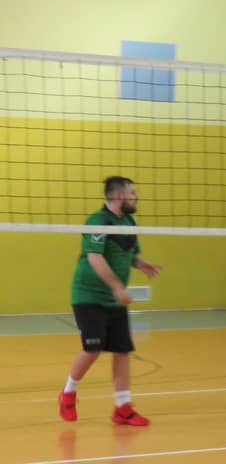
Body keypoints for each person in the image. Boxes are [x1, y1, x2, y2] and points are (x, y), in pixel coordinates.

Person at [59, 176, 162, 426]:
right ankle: (68, 393)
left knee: (121, 351)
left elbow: (128, 254)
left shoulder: (128, 222)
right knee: (92, 349)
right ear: (117, 196)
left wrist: (141, 264)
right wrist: (117, 287)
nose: (135, 197)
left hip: (114, 299)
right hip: (89, 296)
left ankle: (122, 408)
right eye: (132, 193)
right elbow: (95, 257)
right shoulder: (97, 221)